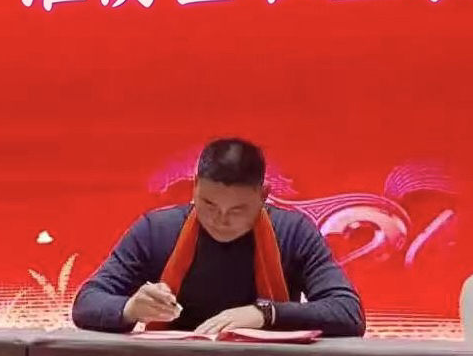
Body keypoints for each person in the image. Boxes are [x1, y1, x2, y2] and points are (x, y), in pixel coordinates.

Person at [72, 137, 364, 336]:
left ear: (263, 195)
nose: (221, 219)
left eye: (238, 209)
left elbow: (348, 312)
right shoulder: (156, 230)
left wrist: (266, 314)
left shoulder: (293, 232)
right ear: (195, 187)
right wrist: (130, 309)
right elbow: (87, 302)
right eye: (208, 204)